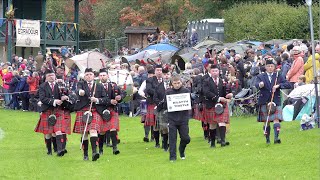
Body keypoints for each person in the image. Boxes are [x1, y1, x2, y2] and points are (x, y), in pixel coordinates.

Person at [73, 68, 109, 161]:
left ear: (94, 76)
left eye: (90, 74)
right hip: (83, 109)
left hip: (95, 110)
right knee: (84, 133)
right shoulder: (81, 84)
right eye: (87, 74)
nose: (89, 76)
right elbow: (78, 90)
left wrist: (97, 100)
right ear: (84, 76)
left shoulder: (99, 86)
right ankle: (85, 155)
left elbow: (105, 98)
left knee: (93, 131)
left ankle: (94, 152)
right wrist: (80, 92)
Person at [34, 69, 71, 156]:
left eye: (52, 75)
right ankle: (49, 150)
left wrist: (64, 97)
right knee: (48, 133)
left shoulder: (60, 85)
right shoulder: (42, 86)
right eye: (49, 76)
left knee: (58, 131)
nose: (51, 77)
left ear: (55, 76)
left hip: (58, 110)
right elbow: (42, 98)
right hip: (47, 110)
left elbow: (65, 93)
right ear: (46, 78)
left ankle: (59, 150)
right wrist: (54, 101)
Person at [255, 58, 291, 144]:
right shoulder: (260, 76)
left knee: (276, 119)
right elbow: (256, 84)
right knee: (266, 122)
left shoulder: (278, 75)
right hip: (264, 101)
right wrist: (260, 84)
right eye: (268, 66)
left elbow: (288, 84)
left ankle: (276, 138)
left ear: (274, 67)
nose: (270, 68)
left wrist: (278, 86)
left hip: (275, 100)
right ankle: (267, 139)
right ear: (265, 67)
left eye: (272, 66)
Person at [203, 64, 233, 148]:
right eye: (213, 71)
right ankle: (212, 142)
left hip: (222, 105)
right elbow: (206, 92)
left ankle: (223, 141)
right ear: (210, 72)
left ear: (219, 72)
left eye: (216, 71)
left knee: (222, 122)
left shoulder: (223, 80)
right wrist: (218, 99)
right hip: (211, 104)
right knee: (212, 124)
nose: (215, 73)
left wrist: (229, 94)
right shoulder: (206, 81)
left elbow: (227, 91)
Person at [162, 75, 191, 161]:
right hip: (172, 118)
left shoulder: (186, 91)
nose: (177, 85)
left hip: (183, 118)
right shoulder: (168, 92)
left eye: (178, 83)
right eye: (175, 83)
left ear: (181, 82)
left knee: (186, 138)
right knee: (172, 139)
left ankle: (181, 149)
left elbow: (190, 103)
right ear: (172, 84)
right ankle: (172, 157)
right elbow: (164, 105)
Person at [98, 68, 126, 155]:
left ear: (107, 76)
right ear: (99, 77)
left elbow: (123, 93)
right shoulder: (96, 87)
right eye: (101, 75)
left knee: (113, 128)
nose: (102, 77)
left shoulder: (113, 86)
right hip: (101, 111)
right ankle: (101, 149)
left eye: (104, 75)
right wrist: (110, 101)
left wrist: (120, 97)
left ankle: (115, 148)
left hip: (112, 109)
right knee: (102, 131)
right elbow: (97, 99)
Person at [144, 64, 163, 147]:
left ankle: (165, 141)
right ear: (155, 71)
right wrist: (159, 92)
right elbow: (148, 90)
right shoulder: (149, 80)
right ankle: (157, 142)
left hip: (164, 104)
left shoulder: (165, 80)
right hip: (153, 103)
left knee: (164, 123)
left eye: (160, 70)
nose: (159, 72)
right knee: (156, 124)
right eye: (157, 70)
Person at [153, 68, 171, 151]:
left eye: (168, 74)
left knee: (172, 127)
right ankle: (165, 143)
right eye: (165, 74)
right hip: (162, 109)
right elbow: (155, 98)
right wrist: (162, 104)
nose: (166, 76)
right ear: (162, 76)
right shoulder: (158, 86)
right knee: (164, 128)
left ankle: (170, 143)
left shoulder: (174, 85)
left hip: (173, 110)